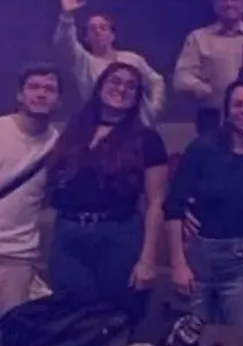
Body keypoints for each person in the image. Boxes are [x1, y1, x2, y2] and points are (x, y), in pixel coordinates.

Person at [45, 63, 167, 318]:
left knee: (113, 316)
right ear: (100, 86)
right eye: (115, 81)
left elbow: (156, 202)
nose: (121, 89)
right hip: (68, 235)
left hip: (117, 235)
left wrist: (147, 260)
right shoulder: (74, 132)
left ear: (137, 97)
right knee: (70, 315)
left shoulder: (146, 139)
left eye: (130, 86)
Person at [164, 78, 243, 327]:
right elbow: (173, 207)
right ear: (227, 111)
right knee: (190, 340)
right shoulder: (202, 149)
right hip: (197, 259)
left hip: (241, 263)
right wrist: (178, 264)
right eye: (238, 104)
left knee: (239, 343)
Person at [0, 64, 62, 315]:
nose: (41, 94)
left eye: (49, 89)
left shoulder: (59, 146)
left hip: (19, 256)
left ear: (58, 100)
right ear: (20, 95)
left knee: (9, 337)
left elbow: (48, 197)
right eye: (33, 87)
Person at [53, 0, 165, 123]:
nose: (98, 32)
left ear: (112, 35)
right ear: (87, 38)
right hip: (101, 124)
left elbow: (156, 81)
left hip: (138, 125)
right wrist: (67, 16)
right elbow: (64, 44)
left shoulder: (133, 59)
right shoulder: (84, 63)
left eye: (103, 28)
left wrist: (153, 109)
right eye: (92, 29)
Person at [173, 0, 243, 134]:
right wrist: (201, 88)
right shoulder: (198, 38)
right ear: (214, 4)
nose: (229, 4)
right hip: (212, 117)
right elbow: (181, 78)